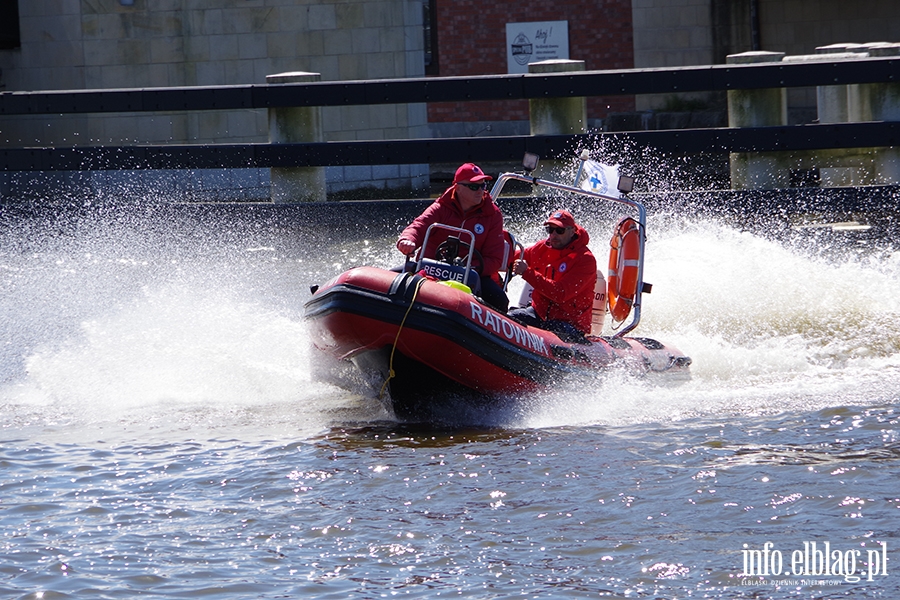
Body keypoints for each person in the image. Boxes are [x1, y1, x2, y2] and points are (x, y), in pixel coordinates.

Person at [395, 162, 509, 313]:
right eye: (474, 186)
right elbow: (419, 225)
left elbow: (494, 259)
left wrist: (466, 268)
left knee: (498, 299)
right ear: (458, 188)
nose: (480, 191)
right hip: (430, 269)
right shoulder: (441, 207)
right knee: (389, 279)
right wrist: (407, 240)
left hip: (471, 274)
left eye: (483, 186)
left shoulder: (492, 215)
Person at [508, 209, 597, 343]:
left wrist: (527, 273)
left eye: (559, 231)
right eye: (550, 230)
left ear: (572, 231)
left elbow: (560, 293)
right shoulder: (541, 248)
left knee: (551, 333)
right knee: (510, 318)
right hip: (538, 314)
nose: (553, 235)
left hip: (569, 323)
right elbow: (510, 258)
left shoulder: (585, 260)